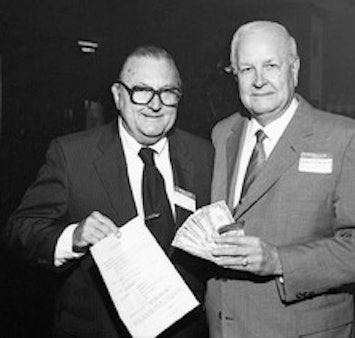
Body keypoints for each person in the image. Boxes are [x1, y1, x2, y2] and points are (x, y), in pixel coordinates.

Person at [3, 45, 213, 338]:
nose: (155, 104)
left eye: (168, 92)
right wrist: (73, 237)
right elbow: (20, 229)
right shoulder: (73, 155)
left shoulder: (204, 155)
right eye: (141, 90)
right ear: (117, 95)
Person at [206, 20, 355, 338]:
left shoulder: (347, 139)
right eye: (247, 69)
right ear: (234, 74)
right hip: (224, 326)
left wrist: (280, 262)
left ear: (294, 68)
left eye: (271, 66)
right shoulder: (223, 133)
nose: (259, 80)